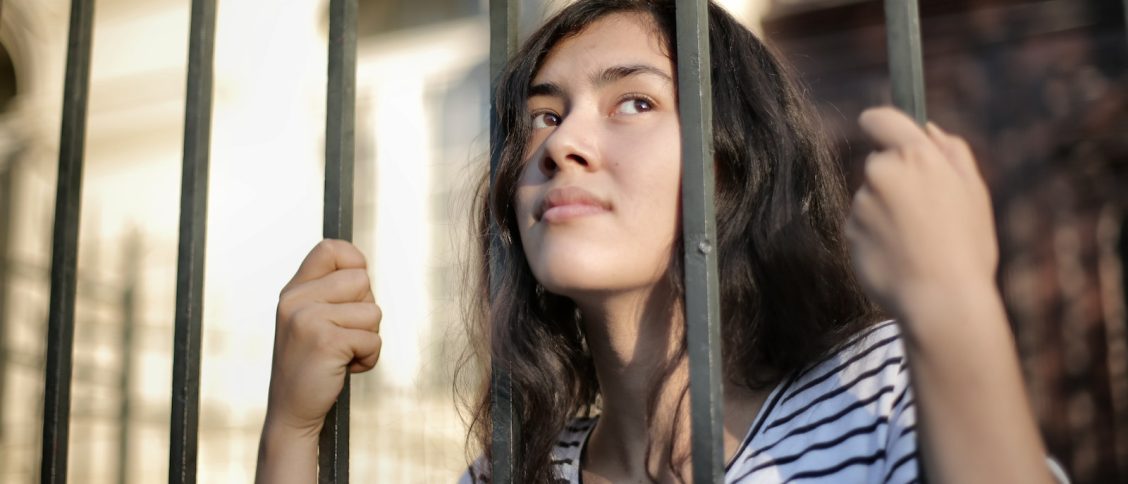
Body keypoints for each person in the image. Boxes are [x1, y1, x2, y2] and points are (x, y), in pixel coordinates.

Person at [256, 1, 1062, 482]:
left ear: (731, 165)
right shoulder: (511, 472)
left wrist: (956, 310)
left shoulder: (881, 390)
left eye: (633, 103)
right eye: (544, 112)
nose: (561, 142)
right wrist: (291, 434)